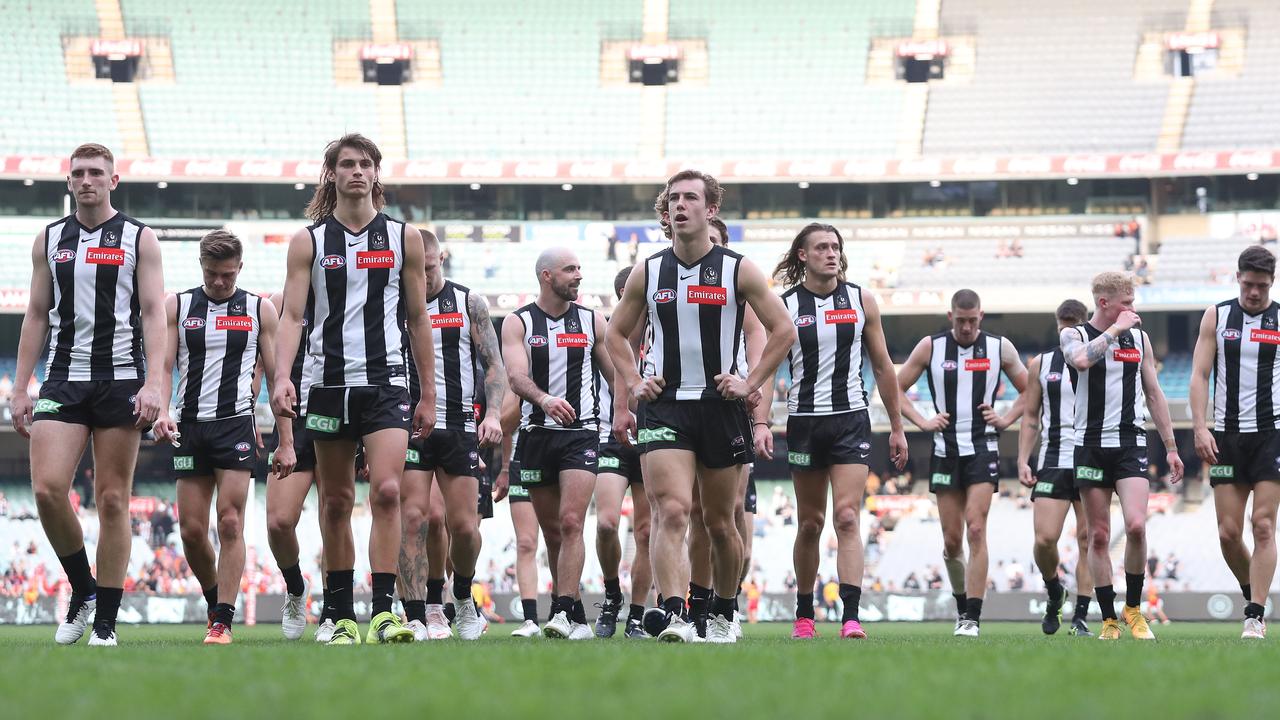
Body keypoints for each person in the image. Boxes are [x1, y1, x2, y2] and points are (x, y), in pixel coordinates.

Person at [606, 170, 796, 643]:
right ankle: (676, 615)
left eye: (691, 198)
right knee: (669, 511)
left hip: (719, 406)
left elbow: (783, 330)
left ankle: (724, 613)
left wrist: (749, 383)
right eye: (673, 199)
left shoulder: (740, 269)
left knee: (719, 522)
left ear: (710, 210)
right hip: (666, 406)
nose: (680, 205)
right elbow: (613, 333)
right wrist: (633, 381)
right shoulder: (647, 272)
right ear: (665, 211)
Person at [272, 133, 437, 646]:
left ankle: (384, 613)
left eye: (366, 164)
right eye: (347, 164)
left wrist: (428, 391)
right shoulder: (309, 242)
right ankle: (340, 615)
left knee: (388, 491)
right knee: (337, 500)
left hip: (387, 384)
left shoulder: (404, 238)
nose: (357, 172)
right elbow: (293, 315)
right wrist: (282, 375)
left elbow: (416, 317)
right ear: (333, 174)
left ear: (376, 174)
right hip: (326, 387)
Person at [9, 143, 167, 646]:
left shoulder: (139, 238)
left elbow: (153, 311)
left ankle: (105, 623)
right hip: (63, 378)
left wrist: (156, 382)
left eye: (96, 172)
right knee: (48, 490)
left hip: (122, 378)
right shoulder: (50, 239)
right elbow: (36, 314)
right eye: (78, 172)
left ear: (113, 181)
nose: (87, 180)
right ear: (69, 181)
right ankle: (84, 588)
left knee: (113, 499)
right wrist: (20, 387)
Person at [772, 223, 908, 640]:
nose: (831, 254)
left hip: (851, 419)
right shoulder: (785, 305)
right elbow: (766, 366)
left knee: (847, 516)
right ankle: (804, 614)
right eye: (821, 247)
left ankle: (851, 616)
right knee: (810, 523)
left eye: (836, 247)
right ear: (802, 255)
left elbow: (884, 366)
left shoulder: (862, 299)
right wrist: (761, 421)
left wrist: (898, 428)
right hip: (804, 422)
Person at [151, 230, 283, 644]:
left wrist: (286, 436)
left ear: (239, 268)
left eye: (227, 275)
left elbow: (278, 377)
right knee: (191, 530)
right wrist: (163, 410)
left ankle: (223, 619)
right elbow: (165, 365)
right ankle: (215, 599)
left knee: (230, 521)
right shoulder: (179, 305)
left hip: (236, 425)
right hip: (191, 426)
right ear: (201, 267)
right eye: (212, 274)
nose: (220, 282)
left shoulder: (260, 309)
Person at [896, 289, 1028, 637]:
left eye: (973, 321)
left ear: (980, 317)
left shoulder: (1000, 348)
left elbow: (1032, 391)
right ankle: (961, 605)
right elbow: (893, 388)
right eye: (961, 320)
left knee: (976, 528)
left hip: (983, 447)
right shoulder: (931, 347)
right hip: (944, 449)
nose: (967, 327)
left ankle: (973, 615)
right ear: (951, 316)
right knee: (952, 540)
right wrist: (922, 421)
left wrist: (1006, 418)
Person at [1061, 271, 1184, 641]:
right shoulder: (1074, 334)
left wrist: (1172, 447)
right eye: (1126, 303)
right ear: (1104, 303)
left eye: (1133, 302)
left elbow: (1154, 393)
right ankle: (1109, 619)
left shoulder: (1141, 339)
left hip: (1130, 442)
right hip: (1091, 444)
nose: (1133, 309)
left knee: (1136, 525)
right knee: (1098, 536)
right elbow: (1081, 361)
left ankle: (1133, 610)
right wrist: (1114, 331)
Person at [397, 230, 506, 641]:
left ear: (440, 258)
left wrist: (492, 413)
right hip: (409, 425)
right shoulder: (395, 305)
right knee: (416, 518)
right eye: (414, 270)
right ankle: (421, 610)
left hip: (460, 425)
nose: (421, 278)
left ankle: (461, 597)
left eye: (428, 268)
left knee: (463, 527)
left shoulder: (467, 303)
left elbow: (494, 365)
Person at [502, 247, 612, 640]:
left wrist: (626, 414)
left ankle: (562, 611)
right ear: (546, 276)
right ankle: (578, 617)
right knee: (552, 532)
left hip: (581, 435)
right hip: (535, 435)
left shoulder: (592, 321)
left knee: (570, 522)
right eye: (570, 270)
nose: (578, 275)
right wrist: (545, 400)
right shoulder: (517, 323)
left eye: (580, 267)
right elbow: (516, 377)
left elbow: (613, 374)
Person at [1189, 245, 1280, 639]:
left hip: (1271, 434)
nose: (1254, 292)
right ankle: (1252, 594)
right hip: (1225, 435)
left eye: (1262, 285)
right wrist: (1198, 427)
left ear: (1271, 282)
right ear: (1238, 277)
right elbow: (1198, 374)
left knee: (1262, 525)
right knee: (1228, 533)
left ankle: (1255, 617)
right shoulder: (1218, 315)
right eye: (1248, 284)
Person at [1016, 299, 1095, 637]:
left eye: (1074, 322)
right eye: (1063, 323)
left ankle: (1080, 616)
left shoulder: (1098, 358)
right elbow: (1031, 415)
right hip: (1053, 459)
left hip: (1092, 457)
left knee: (1089, 539)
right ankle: (1054, 589)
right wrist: (1022, 458)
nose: (1067, 328)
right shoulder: (1040, 364)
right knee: (1045, 539)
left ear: (1086, 323)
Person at [262, 291, 329, 641]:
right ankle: (295, 588)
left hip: (339, 413)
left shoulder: (352, 292)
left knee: (334, 519)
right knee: (279, 522)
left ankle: (334, 610)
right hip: (294, 421)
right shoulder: (279, 301)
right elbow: (261, 361)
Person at [593, 265, 653, 639]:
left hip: (654, 434)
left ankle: (637, 612)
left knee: (646, 531)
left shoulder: (668, 327)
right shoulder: (608, 330)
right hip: (611, 435)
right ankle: (613, 593)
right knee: (606, 523)